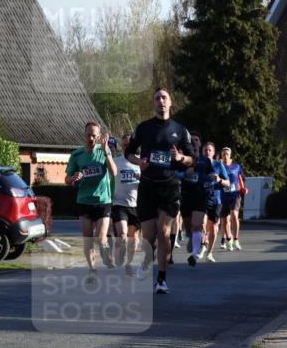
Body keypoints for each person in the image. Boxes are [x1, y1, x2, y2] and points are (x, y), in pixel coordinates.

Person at [125, 88, 195, 294]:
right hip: (147, 185)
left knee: (164, 232)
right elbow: (129, 152)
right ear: (153, 103)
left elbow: (192, 158)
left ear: (170, 102)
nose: (161, 101)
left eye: (164, 98)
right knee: (148, 236)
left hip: (169, 186)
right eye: (157, 98)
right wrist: (139, 162)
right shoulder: (143, 128)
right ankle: (148, 257)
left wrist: (181, 158)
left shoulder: (180, 130)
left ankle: (162, 279)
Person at [65, 121, 118, 282]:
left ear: (99, 136)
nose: (91, 138)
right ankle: (92, 270)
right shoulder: (77, 155)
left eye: (94, 135)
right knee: (87, 239)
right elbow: (67, 179)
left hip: (103, 200)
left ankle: (106, 252)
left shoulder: (104, 151)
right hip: (84, 201)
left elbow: (114, 172)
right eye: (89, 134)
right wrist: (73, 178)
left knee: (100, 238)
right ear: (84, 134)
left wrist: (106, 152)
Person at [111, 133, 141, 277]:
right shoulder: (116, 161)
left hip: (136, 205)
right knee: (122, 234)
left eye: (129, 143)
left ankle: (129, 264)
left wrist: (142, 178)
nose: (126, 146)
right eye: (124, 144)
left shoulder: (142, 162)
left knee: (133, 240)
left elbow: (150, 181)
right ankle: (119, 250)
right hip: (119, 203)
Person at [201, 142, 231, 262]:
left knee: (213, 228)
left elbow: (228, 183)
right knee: (202, 224)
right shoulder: (199, 164)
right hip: (202, 198)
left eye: (209, 150)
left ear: (213, 153)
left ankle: (209, 253)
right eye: (205, 150)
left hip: (216, 200)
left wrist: (219, 180)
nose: (207, 152)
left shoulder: (218, 165)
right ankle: (203, 244)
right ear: (202, 152)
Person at [219, 146, 245, 251]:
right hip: (222, 195)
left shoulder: (236, 166)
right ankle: (228, 239)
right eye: (224, 154)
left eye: (227, 154)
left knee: (234, 215)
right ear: (221, 156)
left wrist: (243, 188)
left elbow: (240, 178)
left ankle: (236, 239)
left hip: (235, 194)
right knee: (225, 220)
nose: (225, 156)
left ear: (230, 156)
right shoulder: (218, 166)